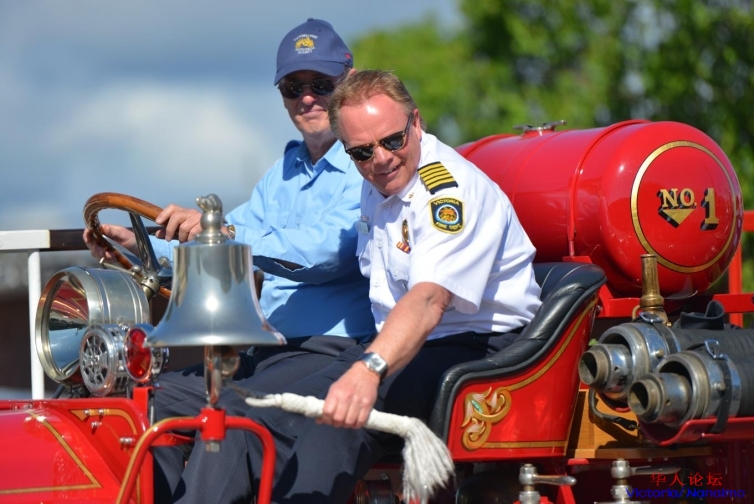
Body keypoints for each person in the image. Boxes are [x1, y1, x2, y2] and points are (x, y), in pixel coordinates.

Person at [184, 69, 544, 504]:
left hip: (477, 348)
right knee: (245, 411)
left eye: (393, 140)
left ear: (416, 122)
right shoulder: (376, 183)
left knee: (334, 423)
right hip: (403, 344)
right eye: (361, 151)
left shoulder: (448, 192)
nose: (381, 158)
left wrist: (368, 371)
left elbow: (429, 299)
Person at [82, 19, 376, 503]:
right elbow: (218, 245)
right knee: (141, 404)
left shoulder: (368, 161)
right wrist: (138, 245)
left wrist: (224, 233)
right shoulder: (281, 174)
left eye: (321, 84)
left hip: (331, 352)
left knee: (232, 418)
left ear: (350, 82)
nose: (307, 98)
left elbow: (326, 253)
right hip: (265, 352)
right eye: (293, 87)